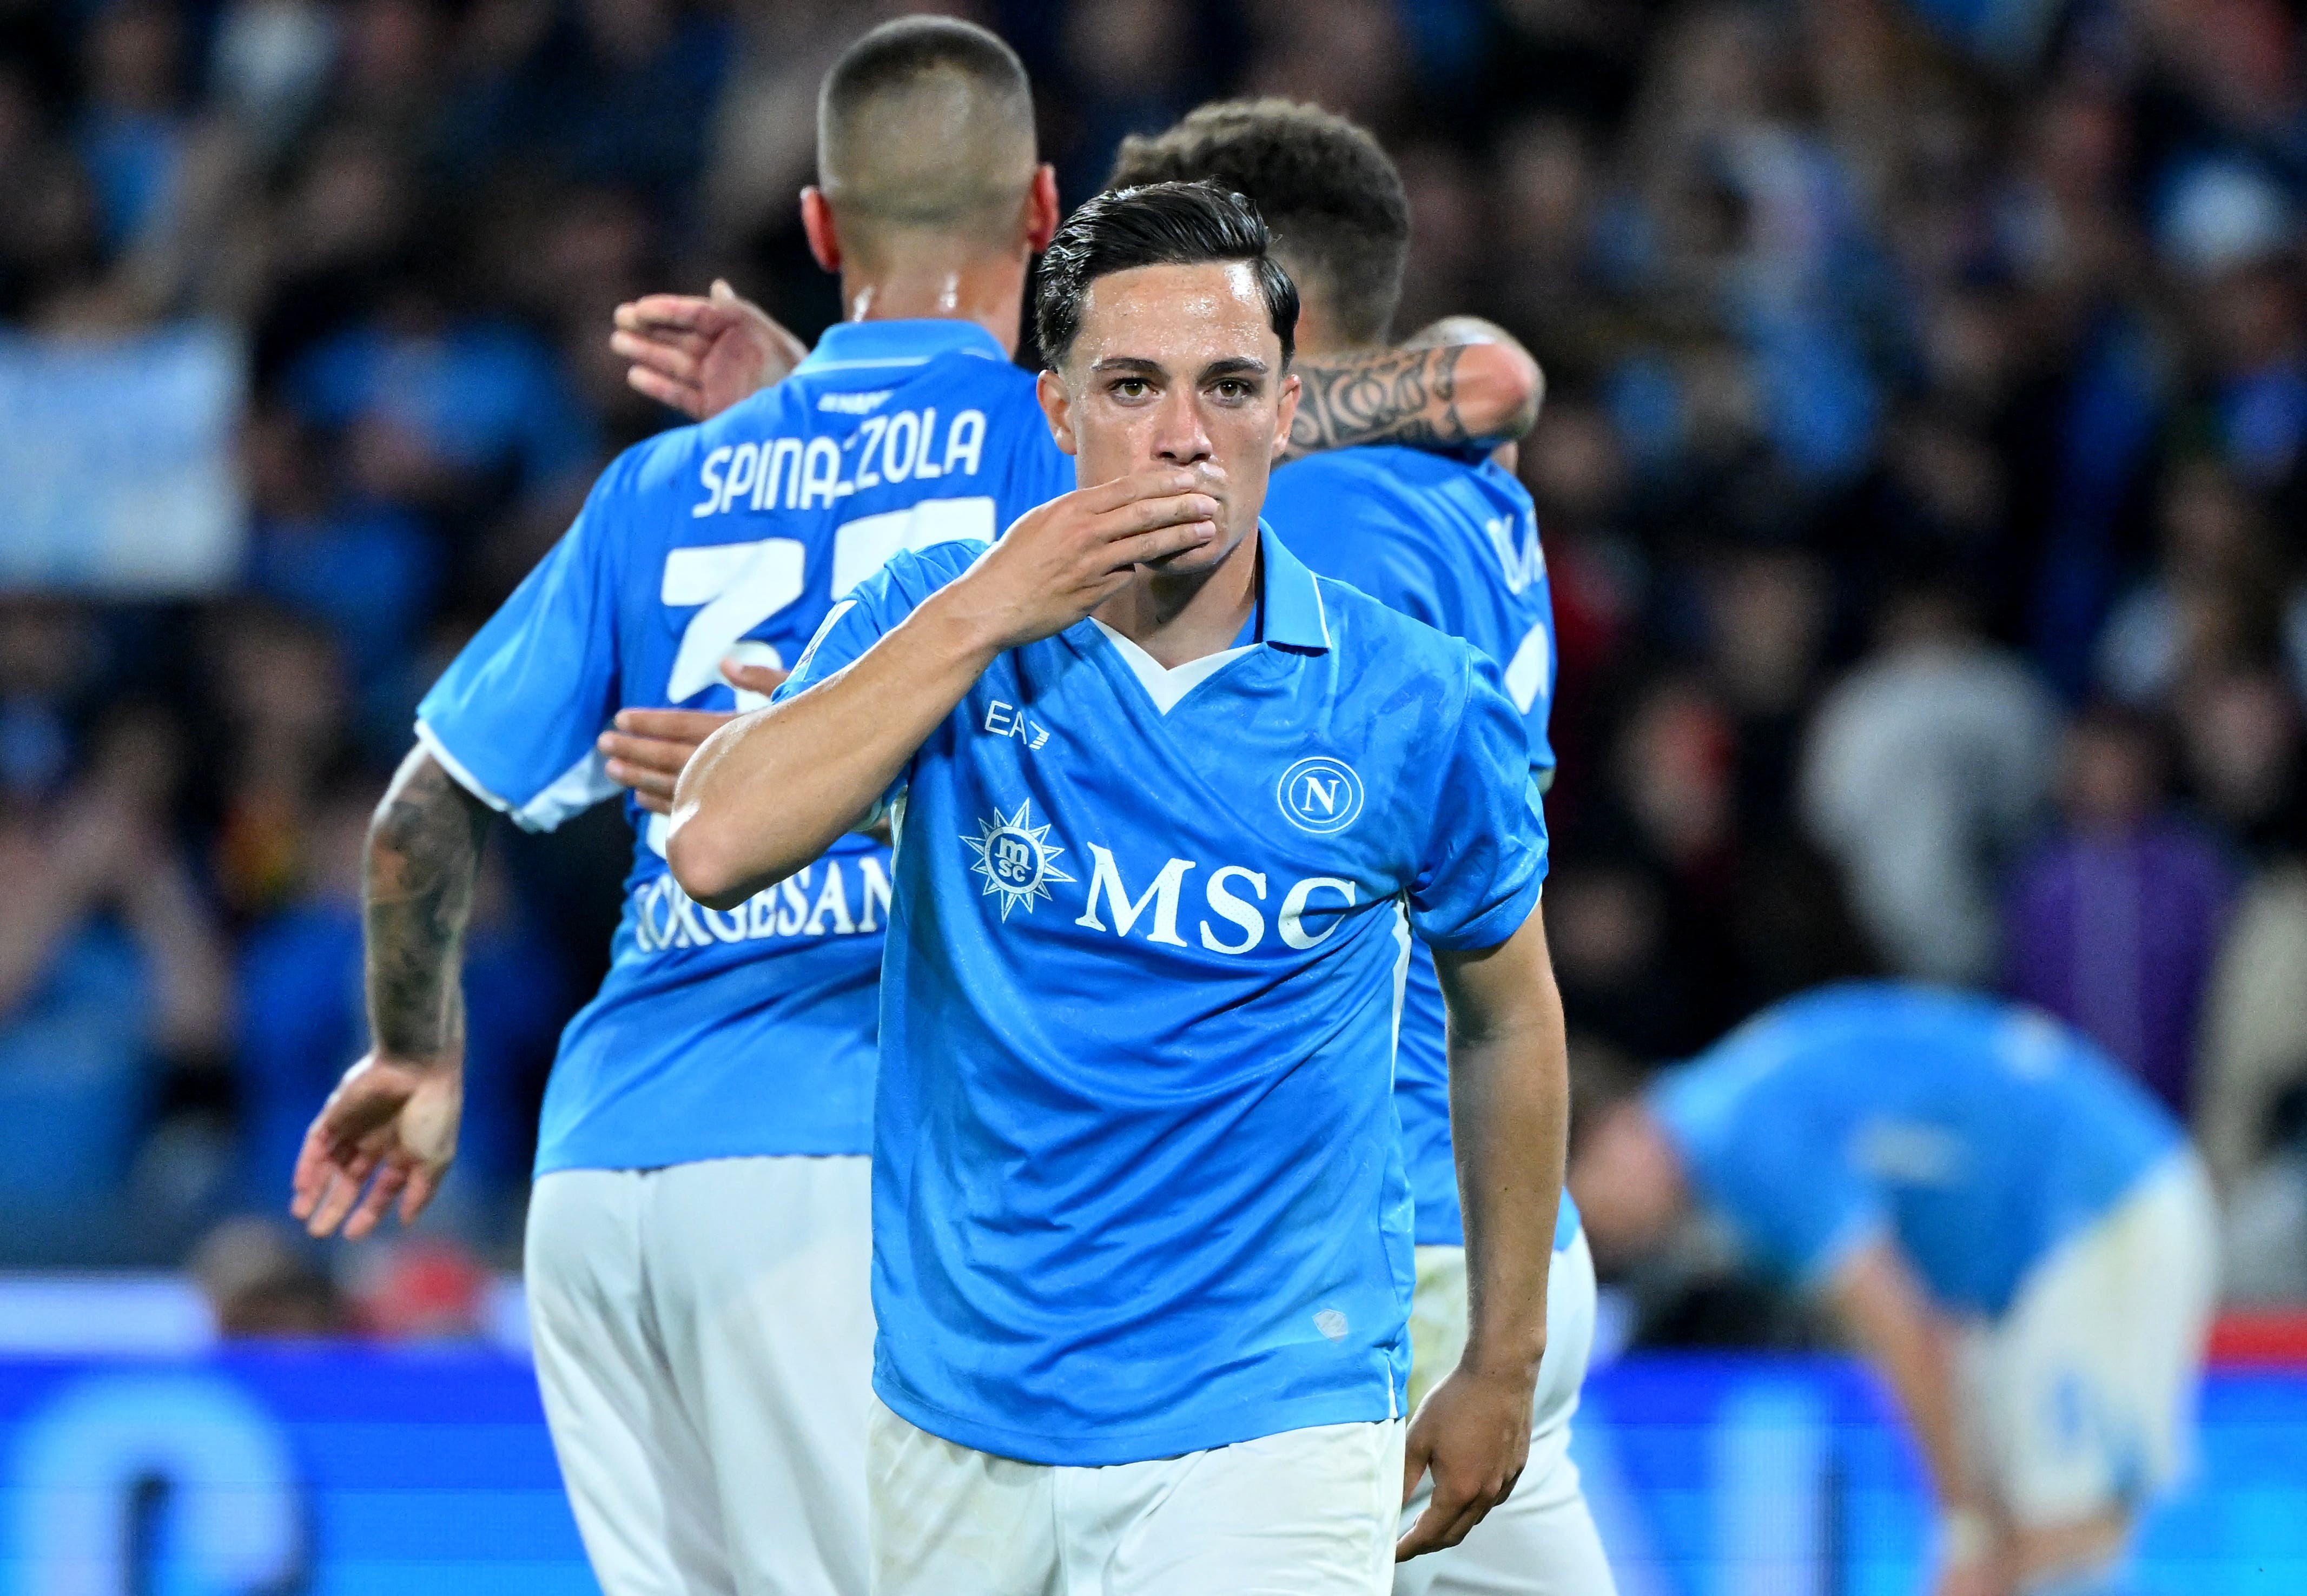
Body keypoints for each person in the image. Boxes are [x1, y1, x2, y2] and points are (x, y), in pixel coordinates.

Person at [289, 17, 1541, 1596]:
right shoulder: (1058, 444)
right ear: (1041, 215)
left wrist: (413, 1044)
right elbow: (1445, 389)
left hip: (601, 1163)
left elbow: (420, 809)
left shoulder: (662, 481)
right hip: (855, 1145)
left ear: (818, 230)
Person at [667, 181, 1570, 1595]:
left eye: (1228, 387)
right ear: (1056, 409)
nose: (1181, 434)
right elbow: (714, 844)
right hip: (963, 1400)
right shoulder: (944, 612)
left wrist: (1501, 1357)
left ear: (1288, 413)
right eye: (1132, 385)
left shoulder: (1410, 698)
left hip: (1276, 1399)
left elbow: (1509, 1014)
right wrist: (984, 609)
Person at [1106, 100, 1615, 1596]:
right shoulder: (1462, 491)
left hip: (1361, 1243)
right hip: (1497, 1225)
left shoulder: (1314, 523)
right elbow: (1482, 373)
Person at [1568, 982, 2217, 1596]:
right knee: (2032, 1528)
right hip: (2032, 1255)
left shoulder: (1739, 1142)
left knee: (2066, 1525)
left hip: (2098, 1210)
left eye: (1594, 1215)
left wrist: (1959, 1521)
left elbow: (1899, 1328)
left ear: (1615, 1135)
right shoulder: (1729, 1101)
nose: (1613, 1243)